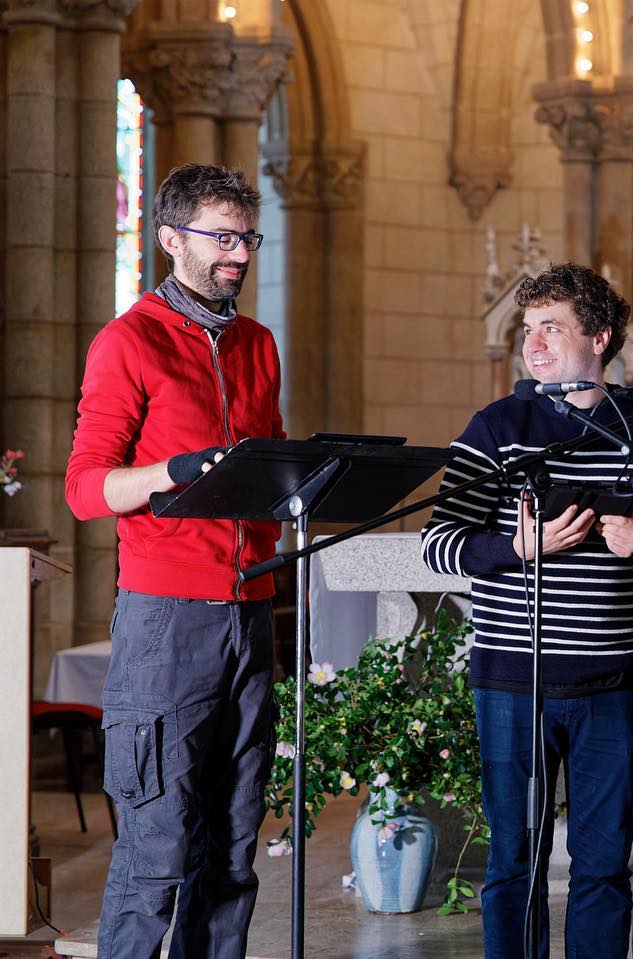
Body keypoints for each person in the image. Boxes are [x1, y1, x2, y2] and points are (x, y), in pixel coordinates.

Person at [419, 263, 633, 958]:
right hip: (510, 683)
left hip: (612, 684)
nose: (534, 345)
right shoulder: (500, 426)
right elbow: (437, 544)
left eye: (552, 328)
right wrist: (515, 546)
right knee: (513, 866)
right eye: (528, 331)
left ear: (600, 338)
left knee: (604, 867)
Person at [64, 164, 283, 959]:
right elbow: (87, 487)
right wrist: (176, 470)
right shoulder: (129, 341)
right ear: (170, 238)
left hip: (250, 613)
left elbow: (268, 458)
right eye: (221, 237)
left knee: (231, 843)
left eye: (247, 238)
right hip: (166, 621)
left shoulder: (258, 344)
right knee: (155, 847)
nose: (238, 254)